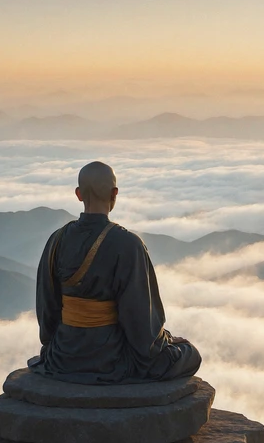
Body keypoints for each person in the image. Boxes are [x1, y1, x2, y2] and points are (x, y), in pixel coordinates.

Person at [28, 161, 201, 384]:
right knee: (189, 352)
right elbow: (141, 327)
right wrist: (161, 344)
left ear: (79, 195)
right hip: (112, 360)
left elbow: (47, 308)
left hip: (62, 357)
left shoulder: (57, 240)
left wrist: (56, 345)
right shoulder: (128, 244)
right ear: (114, 194)